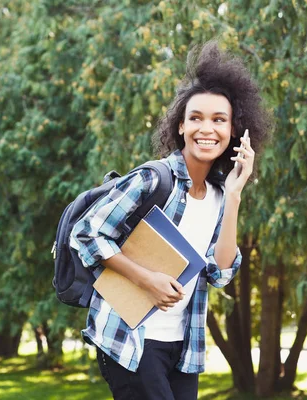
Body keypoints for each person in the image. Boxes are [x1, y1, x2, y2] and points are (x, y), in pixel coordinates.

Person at [69, 41, 272, 400]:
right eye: (195, 118)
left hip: (182, 347)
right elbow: (86, 233)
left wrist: (236, 193)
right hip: (129, 340)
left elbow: (221, 274)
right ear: (180, 126)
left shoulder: (221, 195)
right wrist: (148, 280)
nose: (206, 129)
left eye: (218, 120)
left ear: (233, 131)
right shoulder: (153, 179)